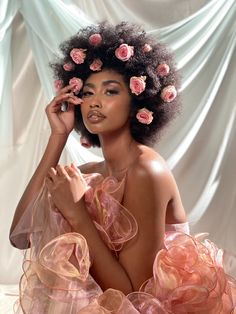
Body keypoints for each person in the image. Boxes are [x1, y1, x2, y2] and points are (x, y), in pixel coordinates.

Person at [9, 22, 235, 313]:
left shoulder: (146, 170)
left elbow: (133, 296)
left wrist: (77, 212)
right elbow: (19, 235)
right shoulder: (92, 171)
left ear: (137, 101)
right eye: (88, 93)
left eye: (110, 91)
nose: (95, 102)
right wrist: (58, 137)